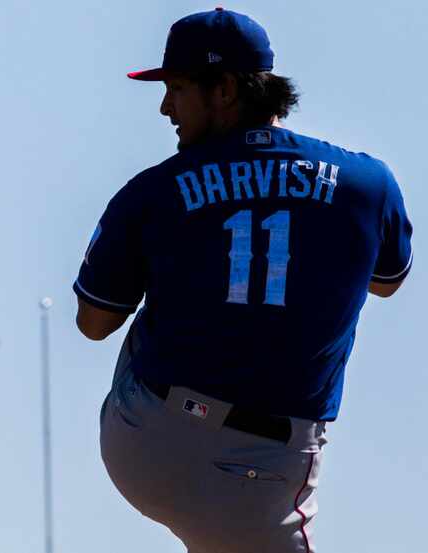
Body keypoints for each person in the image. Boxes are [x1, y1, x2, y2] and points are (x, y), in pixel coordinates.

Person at [72, 8, 413, 553]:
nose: (165, 108)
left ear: (225, 89)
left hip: (142, 439)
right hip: (261, 470)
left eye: (177, 89)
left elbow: (94, 322)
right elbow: (387, 280)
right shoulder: (367, 183)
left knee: (151, 315)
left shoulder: (152, 190)